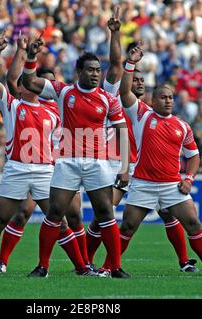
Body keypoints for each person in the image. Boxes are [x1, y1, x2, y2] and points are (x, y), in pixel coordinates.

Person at [0, 32, 93, 276]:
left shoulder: (54, 111)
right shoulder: (13, 105)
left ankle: (81, 266)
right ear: (22, 87)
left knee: (60, 221)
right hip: (17, 169)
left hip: (46, 171)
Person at [86, 7, 199, 273]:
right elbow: (116, 66)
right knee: (103, 215)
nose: (138, 83)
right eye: (134, 79)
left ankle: (183, 261)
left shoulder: (149, 113)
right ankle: (88, 262)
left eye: (141, 81)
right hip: (117, 165)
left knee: (169, 214)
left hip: (145, 169)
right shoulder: (119, 100)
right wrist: (123, 49)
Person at [104, 45, 202, 277]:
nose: (168, 101)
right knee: (127, 227)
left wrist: (189, 178)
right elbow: (125, 91)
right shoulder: (141, 114)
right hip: (143, 184)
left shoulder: (182, 126)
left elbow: (194, 156)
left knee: (194, 224)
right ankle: (108, 268)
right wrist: (130, 63)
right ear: (153, 99)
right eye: (163, 97)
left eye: (171, 98)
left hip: (171, 185)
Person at [22, 34, 131, 278]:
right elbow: (28, 81)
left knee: (105, 213)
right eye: (90, 70)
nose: (96, 74)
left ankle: (115, 267)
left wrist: (124, 168)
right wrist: (31, 57)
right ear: (79, 71)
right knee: (54, 213)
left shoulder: (108, 99)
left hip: (97, 162)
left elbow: (122, 132)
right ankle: (43, 266)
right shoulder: (63, 91)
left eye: (97, 70)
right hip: (67, 162)